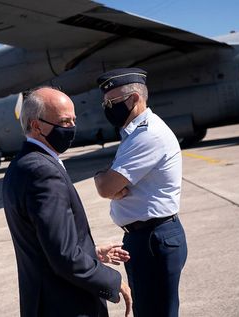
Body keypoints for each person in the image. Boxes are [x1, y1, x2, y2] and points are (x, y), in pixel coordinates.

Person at [2, 87, 132, 317]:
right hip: (66, 304)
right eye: (64, 122)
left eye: (73, 120)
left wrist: (92, 252)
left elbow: (47, 241)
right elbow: (64, 255)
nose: (72, 128)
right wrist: (113, 281)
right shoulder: (42, 171)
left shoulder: (21, 165)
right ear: (36, 125)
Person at [94, 68, 188, 317]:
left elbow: (106, 187)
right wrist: (110, 180)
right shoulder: (133, 134)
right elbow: (112, 183)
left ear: (135, 99)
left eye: (112, 102)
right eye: (105, 102)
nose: (107, 108)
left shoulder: (148, 135)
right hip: (144, 237)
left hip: (153, 239)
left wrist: (101, 178)